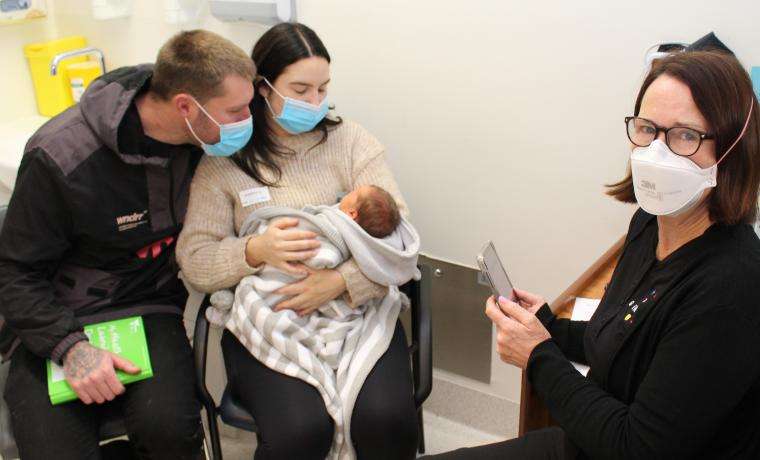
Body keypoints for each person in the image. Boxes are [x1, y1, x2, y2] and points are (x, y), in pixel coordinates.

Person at [428, 50, 760, 459]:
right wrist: (546, 326)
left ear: (732, 151)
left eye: (685, 135)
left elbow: (636, 447)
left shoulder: (731, 288)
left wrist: (537, 356)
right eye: (647, 129)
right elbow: (626, 333)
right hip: (591, 440)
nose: (657, 152)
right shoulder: (649, 223)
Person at [0, 30, 255, 459]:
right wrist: (70, 348)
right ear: (185, 107)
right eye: (236, 111)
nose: (248, 120)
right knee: (53, 449)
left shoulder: (202, 139)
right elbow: (14, 272)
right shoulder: (61, 155)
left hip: (147, 306)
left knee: (171, 432)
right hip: (57, 314)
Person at [176, 22, 419, 459]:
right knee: (300, 431)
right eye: (301, 89)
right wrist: (253, 251)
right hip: (271, 320)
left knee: (386, 420)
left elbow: (396, 234)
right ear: (263, 88)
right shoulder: (223, 162)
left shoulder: (352, 143)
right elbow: (194, 260)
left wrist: (342, 282)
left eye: (323, 89)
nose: (315, 102)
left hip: (357, 313)